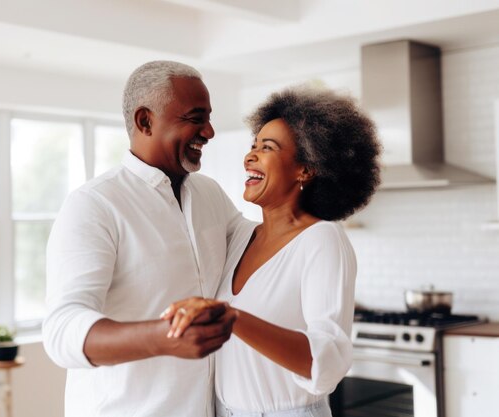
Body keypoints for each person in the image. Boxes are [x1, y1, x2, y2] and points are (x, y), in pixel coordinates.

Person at [161, 87, 381, 417]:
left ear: (305, 169)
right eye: (253, 146)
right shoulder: (240, 236)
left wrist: (232, 317)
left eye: (268, 148)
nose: (250, 156)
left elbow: (328, 360)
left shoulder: (322, 239)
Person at [42, 61, 243, 417]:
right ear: (145, 121)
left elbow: (260, 245)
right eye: (196, 118)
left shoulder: (210, 195)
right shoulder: (95, 204)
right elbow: (61, 331)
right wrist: (164, 337)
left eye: (208, 117)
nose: (209, 131)